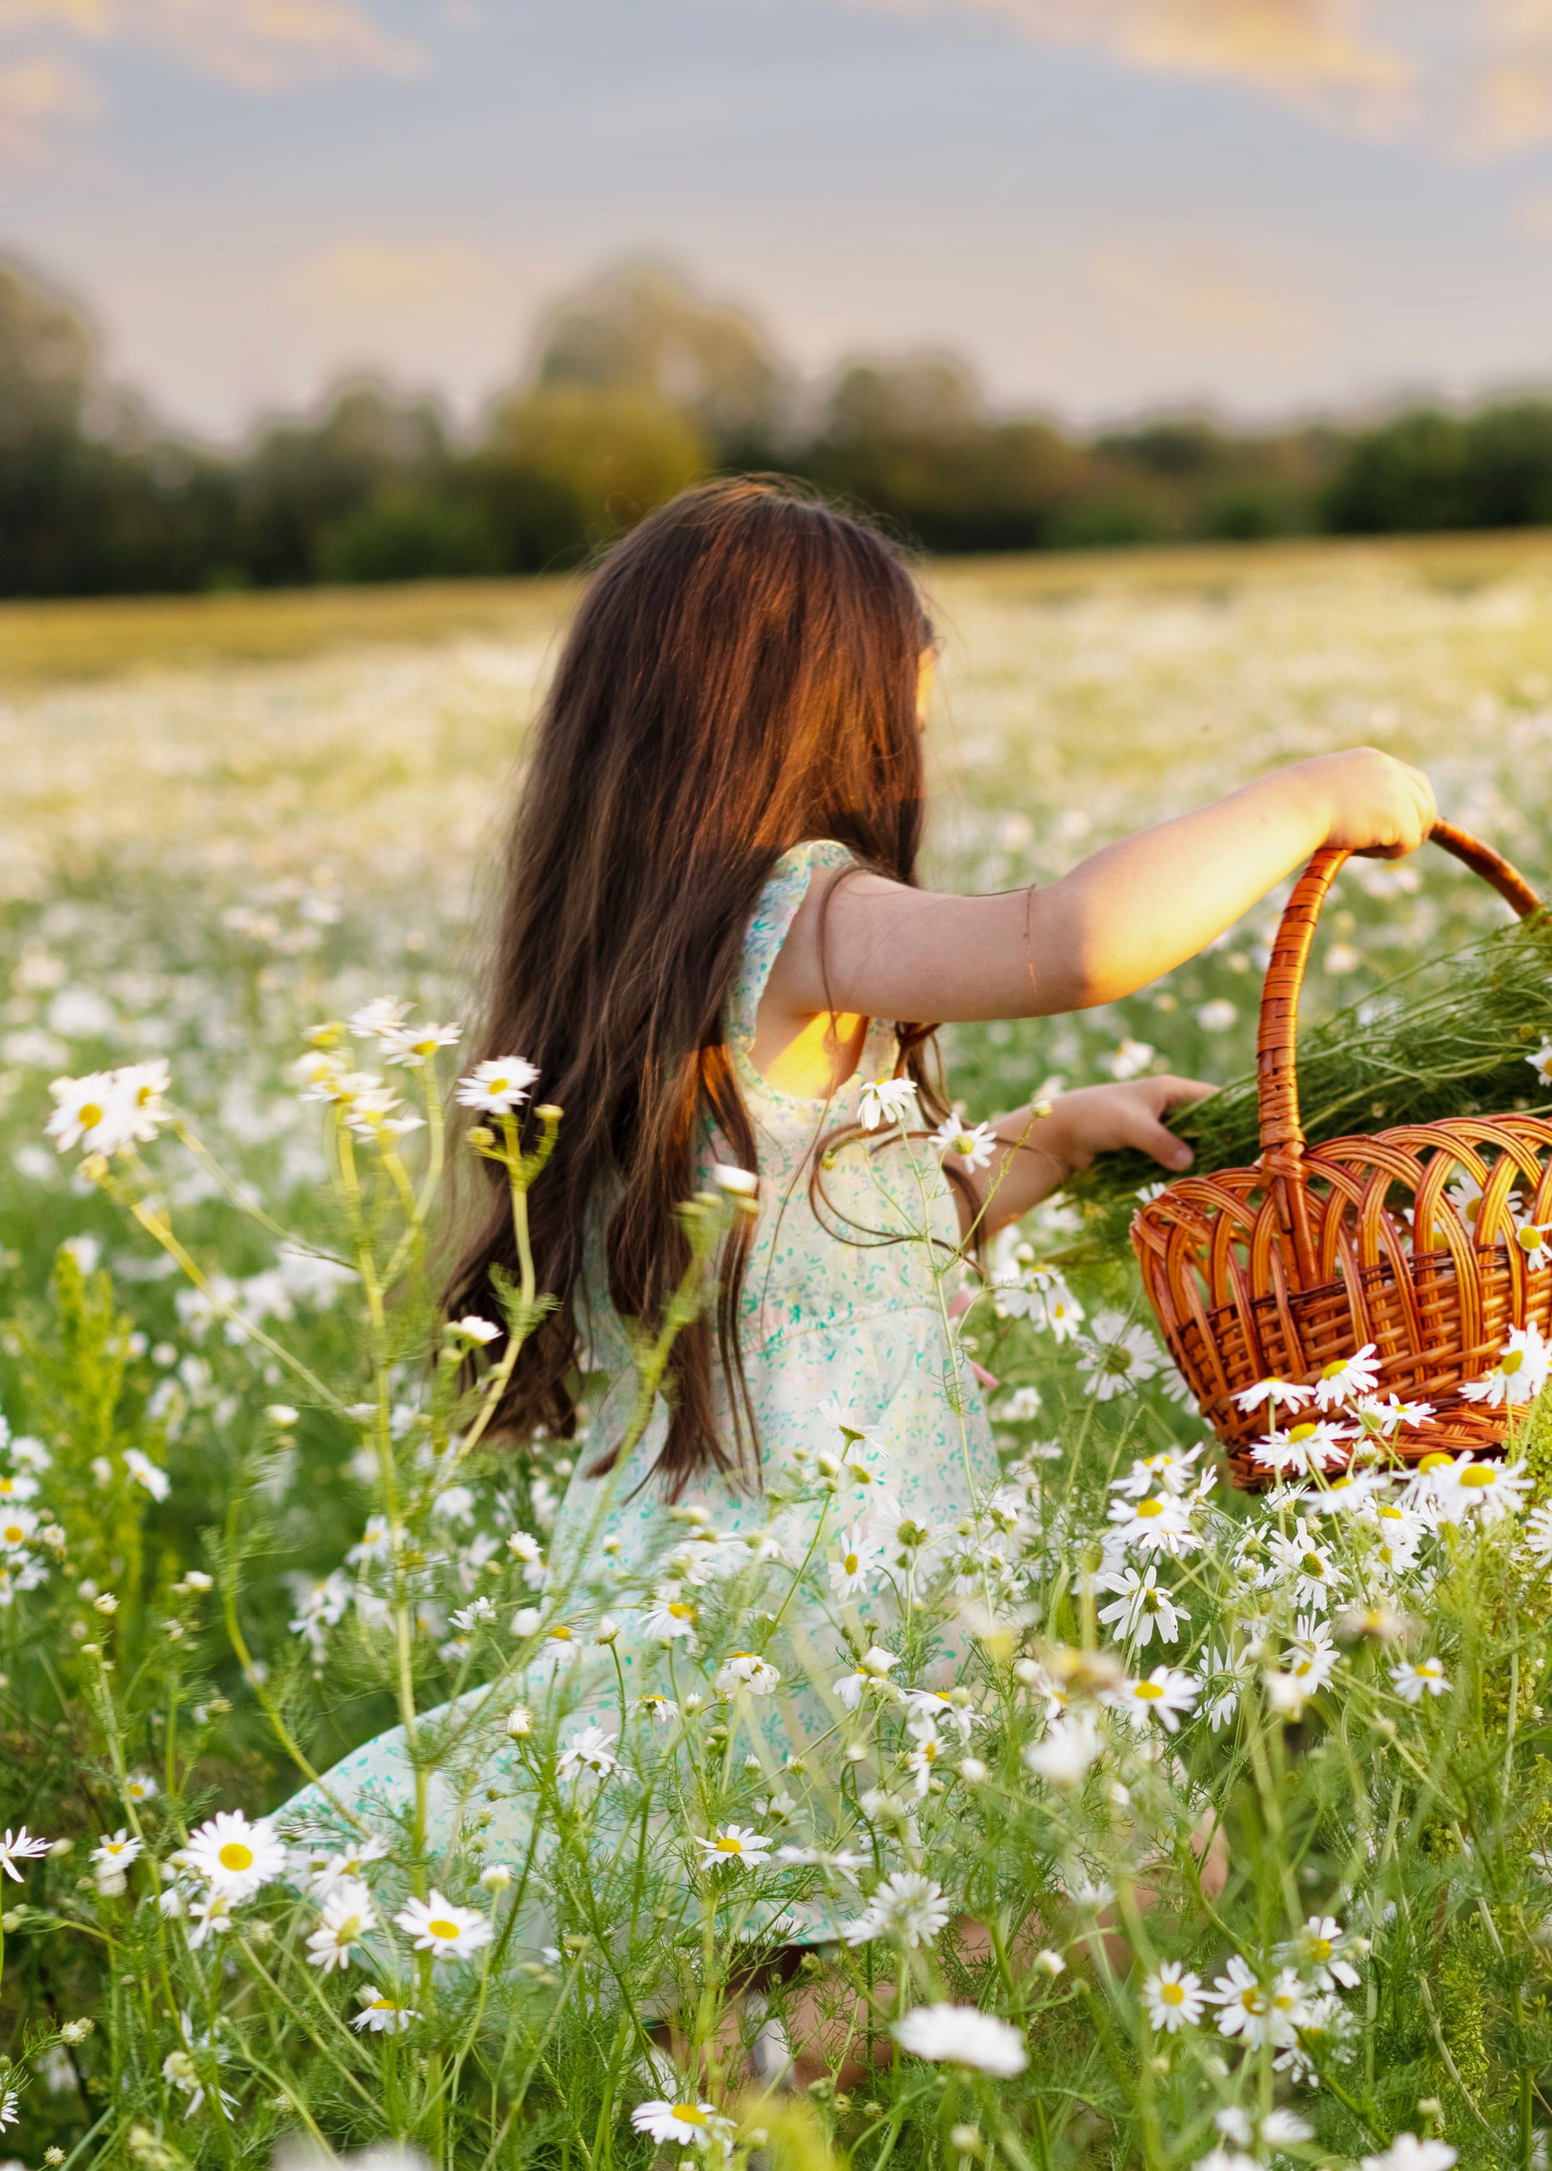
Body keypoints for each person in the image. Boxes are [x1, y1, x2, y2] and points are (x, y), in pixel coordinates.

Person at [275, 476, 1433, 2033]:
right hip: (839, 1579)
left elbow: (823, 1255)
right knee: (1153, 1873)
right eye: (906, 709)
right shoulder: (803, 911)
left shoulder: (630, 959)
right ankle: (784, 2063)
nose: (917, 746)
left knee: (736, 1964)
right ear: (808, 723)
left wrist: (1044, 1143)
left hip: (691, 1581)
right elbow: (1073, 939)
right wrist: (1311, 795)